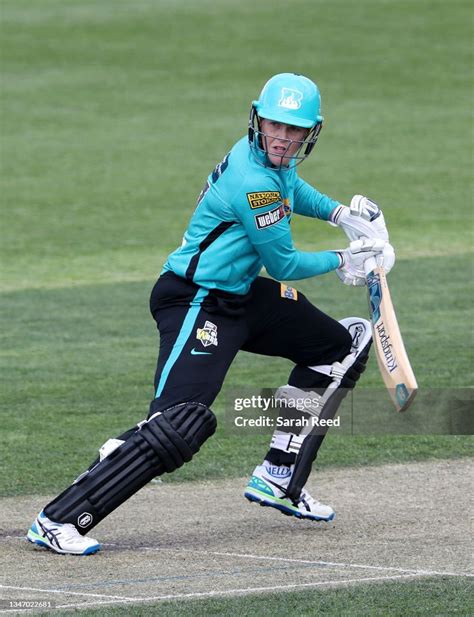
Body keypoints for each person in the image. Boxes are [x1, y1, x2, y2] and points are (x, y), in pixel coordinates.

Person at [26, 73, 394, 555]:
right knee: (179, 424)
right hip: (195, 300)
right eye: (275, 126)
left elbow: (292, 189)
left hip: (240, 295)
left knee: (340, 347)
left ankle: (279, 476)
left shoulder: (267, 160)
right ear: (258, 119)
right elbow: (284, 263)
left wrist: (340, 215)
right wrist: (345, 259)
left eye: (294, 130)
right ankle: (59, 518)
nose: (283, 138)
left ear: (311, 132)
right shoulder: (253, 182)